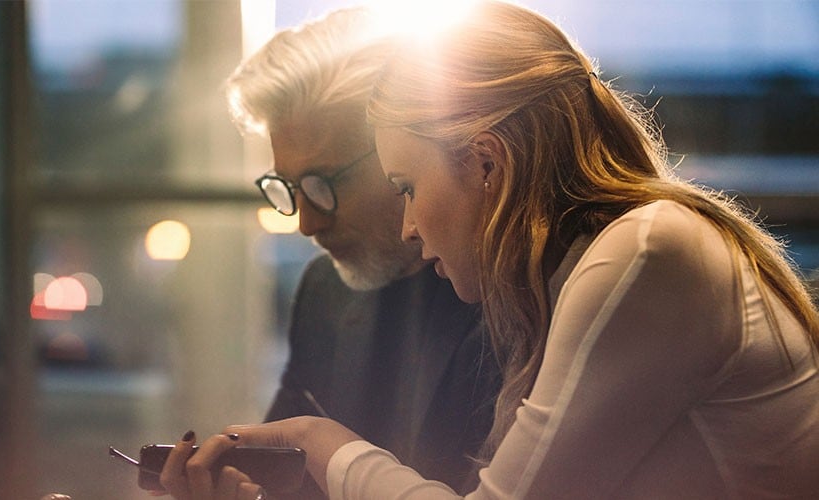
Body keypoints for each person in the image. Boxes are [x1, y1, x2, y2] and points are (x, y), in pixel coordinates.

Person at [157, 1, 819, 498]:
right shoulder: (568, 271)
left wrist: (318, 442)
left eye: (405, 184)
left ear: (481, 162)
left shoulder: (634, 258)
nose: (410, 224)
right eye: (287, 189)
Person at [223, 6, 499, 498]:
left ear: (398, 150)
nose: (306, 223)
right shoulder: (324, 291)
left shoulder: (516, 291)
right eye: (288, 188)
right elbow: (286, 483)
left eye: (322, 183)